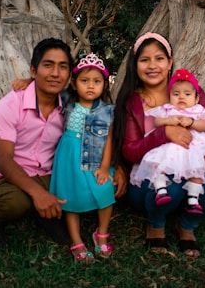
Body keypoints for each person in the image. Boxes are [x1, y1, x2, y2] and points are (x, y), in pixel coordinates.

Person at [112, 32, 205, 257]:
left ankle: (186, 226)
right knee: (171, 188)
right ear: (135, 65)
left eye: (159, 58)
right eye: (144, 59)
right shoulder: (132, 102)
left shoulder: (187, 91)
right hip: (147, 178)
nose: (152, 65)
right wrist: (164, 134)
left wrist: (189, 166)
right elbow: (129, 150)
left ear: (170, 62)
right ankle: (155, 224)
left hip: (189, 170)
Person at [0, 38, 74, 251]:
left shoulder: (68, 105)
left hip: (49, 174)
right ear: (33, 70)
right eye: (48, 65)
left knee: (82, 190)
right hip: (9, 176)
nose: (55, 73)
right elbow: (3, 160)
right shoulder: (11, 104)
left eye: (63, 67)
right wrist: (38, 193)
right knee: (14, 203)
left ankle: (45, 217)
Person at [50, 53, 115, 262]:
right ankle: (76, 240)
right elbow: (45, 86)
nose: (90, 86)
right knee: (71, 196)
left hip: (96, 157)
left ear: (104, 85)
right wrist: (27, 81)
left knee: (105, 190)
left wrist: (105, 167)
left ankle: (101, 234)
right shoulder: (68, 102)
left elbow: (109, 140)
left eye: (96, 81)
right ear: (74, 83)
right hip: (69, 156)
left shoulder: (106, 111)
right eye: (84, 80)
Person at [130, 68, 205, 214]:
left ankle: (193, 200)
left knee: (196, 173)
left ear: (197, 98)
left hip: (189, 150)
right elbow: (157, 122)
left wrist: (191, 122)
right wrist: (168, 120)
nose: (181, 97)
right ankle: (161, 190)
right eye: (176, 94)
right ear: (169, 96)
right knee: (160, 167)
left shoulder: (197, 110)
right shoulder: (168, 109)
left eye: (187, 94)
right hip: (170, 150)